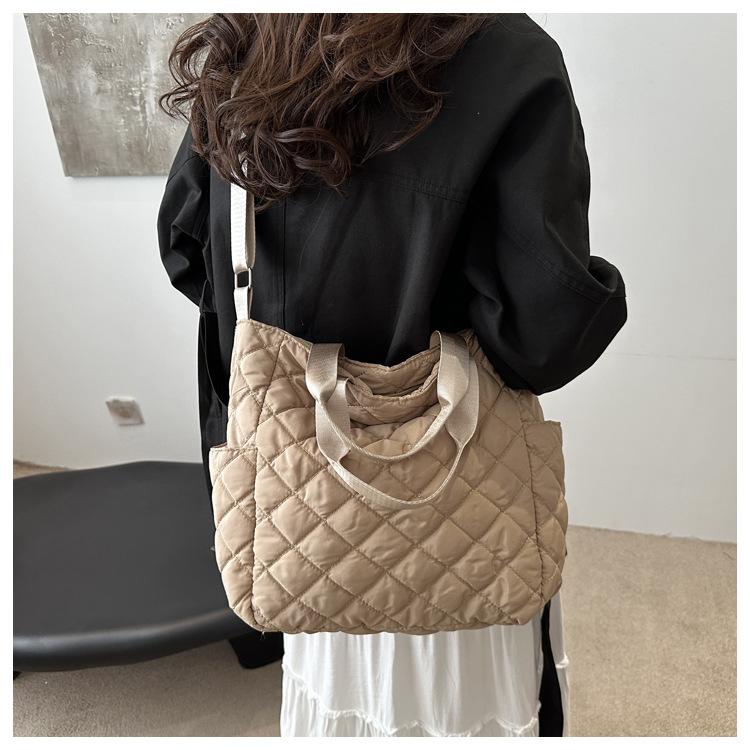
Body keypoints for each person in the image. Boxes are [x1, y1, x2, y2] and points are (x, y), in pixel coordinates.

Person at [157, 13, 627, 737]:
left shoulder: (248, 49)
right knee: (465, 712)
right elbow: (539, 341)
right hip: (470, 518)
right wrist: (600, 292)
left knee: (338, 703)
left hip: (303, 514)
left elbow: (190, 255)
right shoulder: (507, 52)